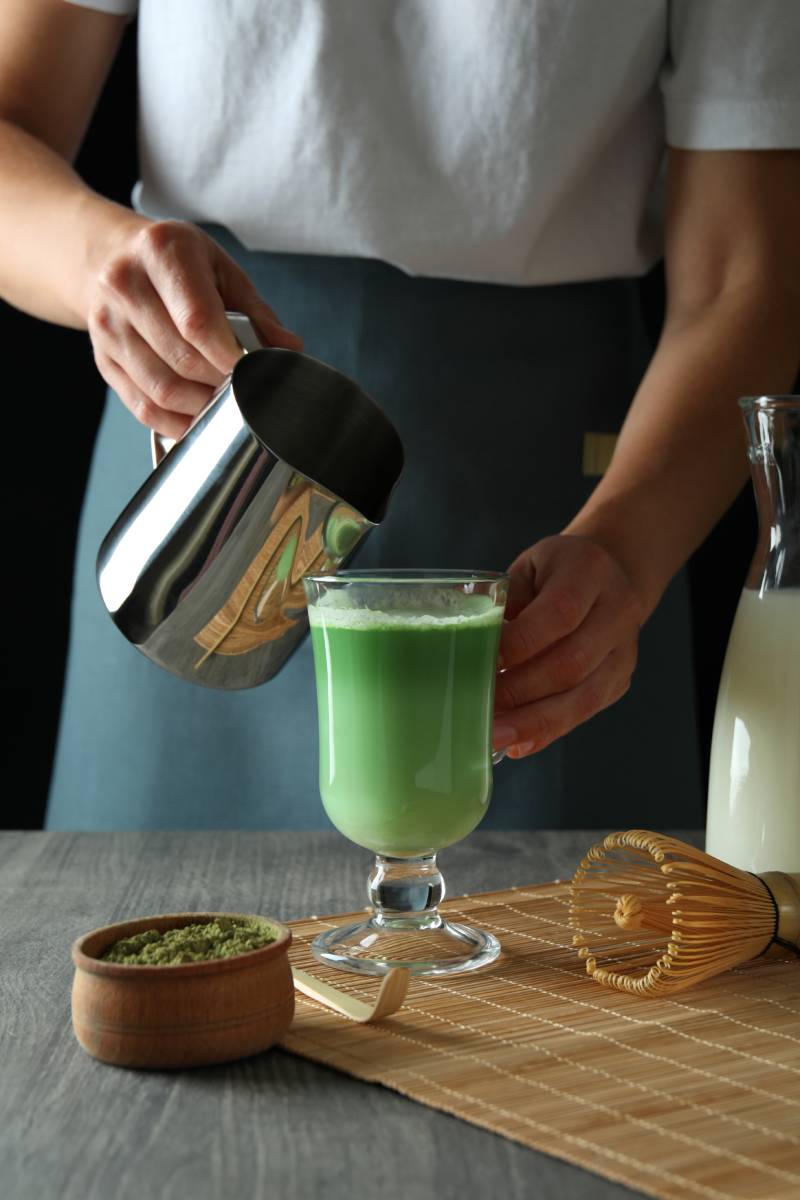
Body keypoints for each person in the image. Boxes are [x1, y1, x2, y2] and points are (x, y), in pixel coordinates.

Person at [2, 1, 798, 831]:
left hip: (574, 527)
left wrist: (627, 552)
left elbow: (744, 281)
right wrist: (101, 263)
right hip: (200, 479)